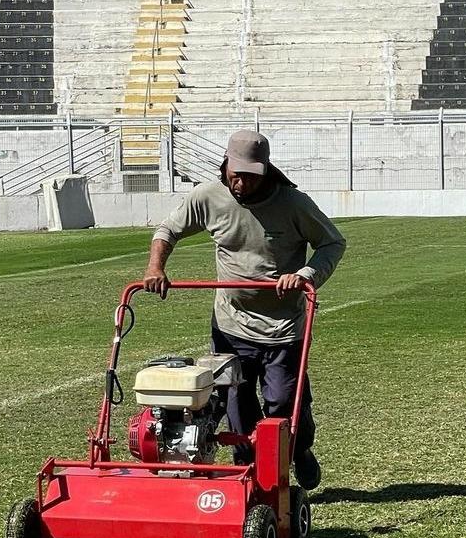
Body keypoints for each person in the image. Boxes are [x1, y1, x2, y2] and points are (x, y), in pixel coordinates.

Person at [143, 130, 346, 489]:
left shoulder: (294, 204)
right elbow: (167, 230)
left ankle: (299, 450)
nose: (242, 182)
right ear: (226, 166)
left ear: (265, 170)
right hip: (230, 324)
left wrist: (305, 274)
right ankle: (249, 475)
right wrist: (155, 267)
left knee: (283, 402)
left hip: (283, 326)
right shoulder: (208, 196)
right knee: (235, 401)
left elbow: (332, 242)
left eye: (251, 175)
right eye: (237, 174)